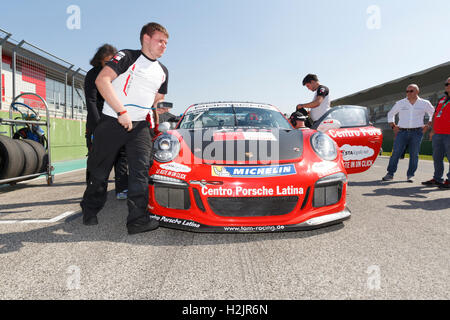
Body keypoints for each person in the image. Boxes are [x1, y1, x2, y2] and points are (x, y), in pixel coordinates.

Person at [80, 22, 169, 235]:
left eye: (166, 43)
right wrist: (121, 111)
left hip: (139, 127)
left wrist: (162, 114)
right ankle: (89, 209)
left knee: (139, 172)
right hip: (112, 120)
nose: (164, 46)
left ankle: (137, 220)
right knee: (99, 172)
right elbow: (103, 80)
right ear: (146, 38)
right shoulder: (126, 56)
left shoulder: (163, 71)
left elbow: (158, 99)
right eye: (160, 41)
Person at [84, 44, 128, 200]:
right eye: (106, 62)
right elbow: (91, 101)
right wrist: (98, 127)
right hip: (97, 122)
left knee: (121, 155)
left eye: (112, 61)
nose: (109, 64)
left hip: (116, 120)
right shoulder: (92, 75)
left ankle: (122, 189)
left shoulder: (119, 75)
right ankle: (92, 190)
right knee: (96, 157)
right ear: (99, 61)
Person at [382, 84, 434, 182]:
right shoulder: (400, 103)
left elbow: (433, 114)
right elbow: (390, 114)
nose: (408, 93)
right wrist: (393, 126)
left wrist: (428, 126)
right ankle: (390, 174)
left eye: (411, 91)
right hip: (402, 132)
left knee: (414, 154)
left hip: (417, 132)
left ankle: (410, 175)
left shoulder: (424, 103)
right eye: (407, 91)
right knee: (396, 153)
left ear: (417, 92)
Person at [422, 77, 450, 189]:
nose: (447, 85)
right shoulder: (442, 99)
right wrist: (432, 130)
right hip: (438, 134)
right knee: (437, 158)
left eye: (449, 83)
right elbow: (435, 115)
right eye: (446, 83)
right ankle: (437, 179)